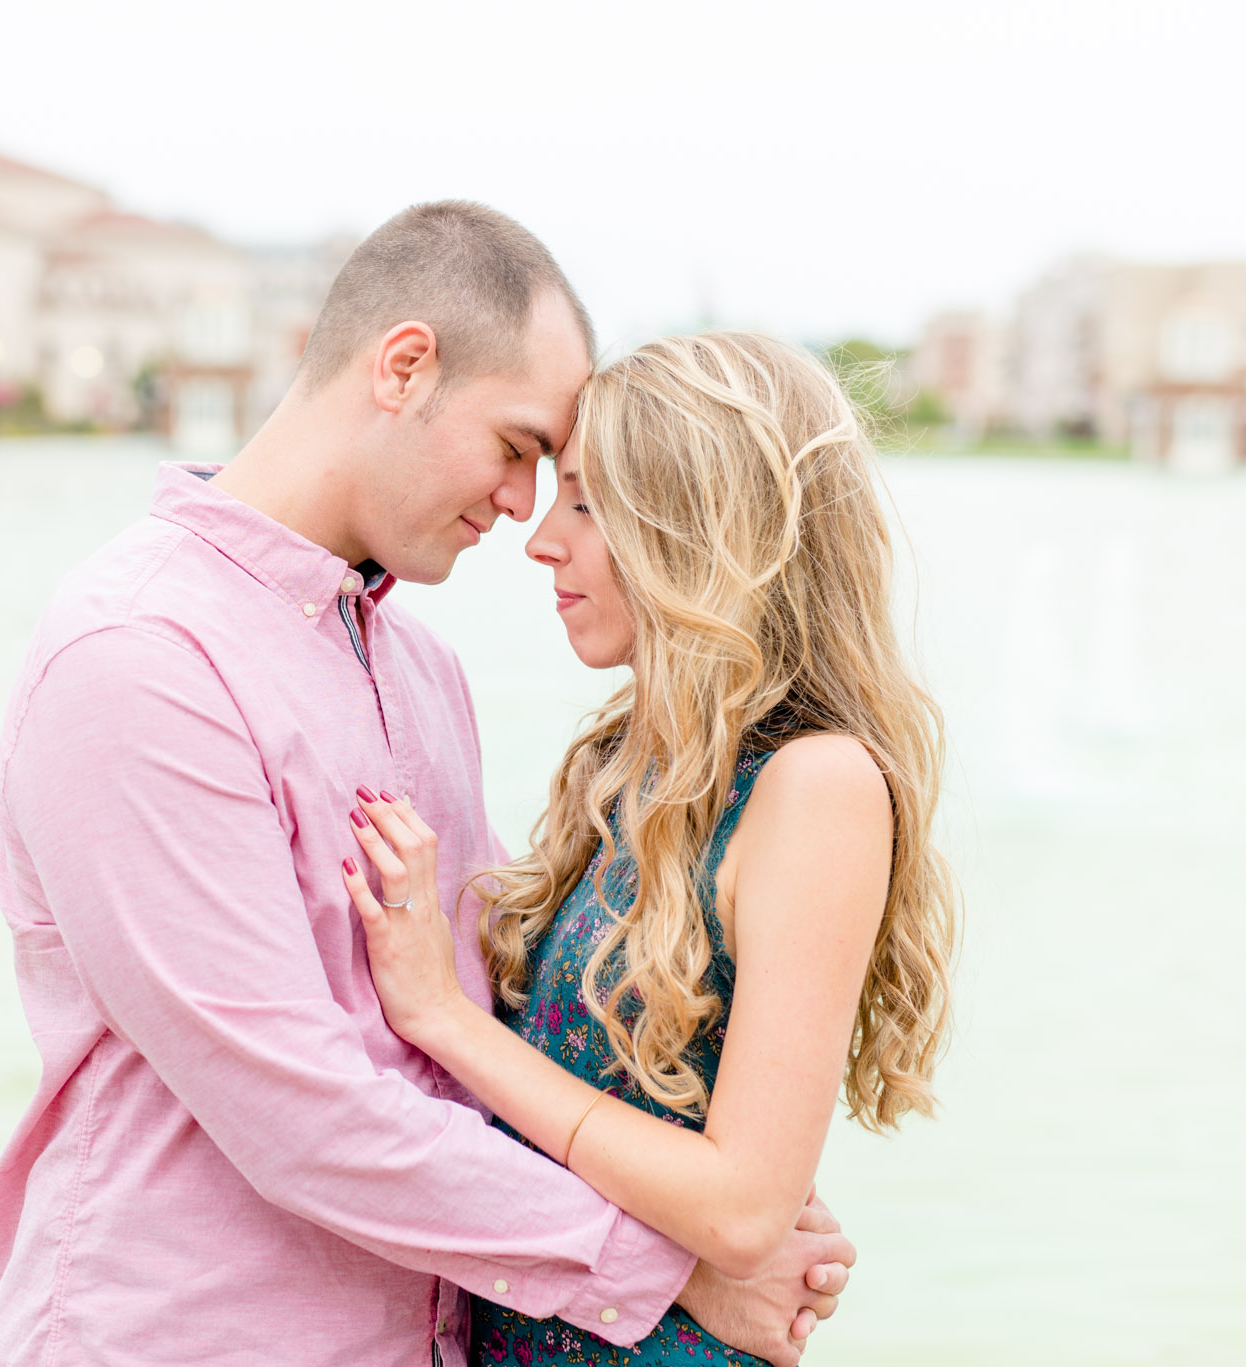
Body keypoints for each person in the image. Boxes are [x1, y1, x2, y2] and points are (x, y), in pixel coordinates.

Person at [0, 207, 855, 1367]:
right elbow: (298, 1110)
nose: (520, 508)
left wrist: (729, 1192)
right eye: (515, 447)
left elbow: (482, 1022)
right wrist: (674, 1272)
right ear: (403, 366)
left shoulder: (421, 671)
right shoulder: (140, 656)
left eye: (558, 480)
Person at [337, 331, 959, 1365]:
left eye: (583, 501)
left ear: (696, 523)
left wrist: (441, 1017)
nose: (541, 539)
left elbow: (742, 1209)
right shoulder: (628, 761)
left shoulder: (814, 783)